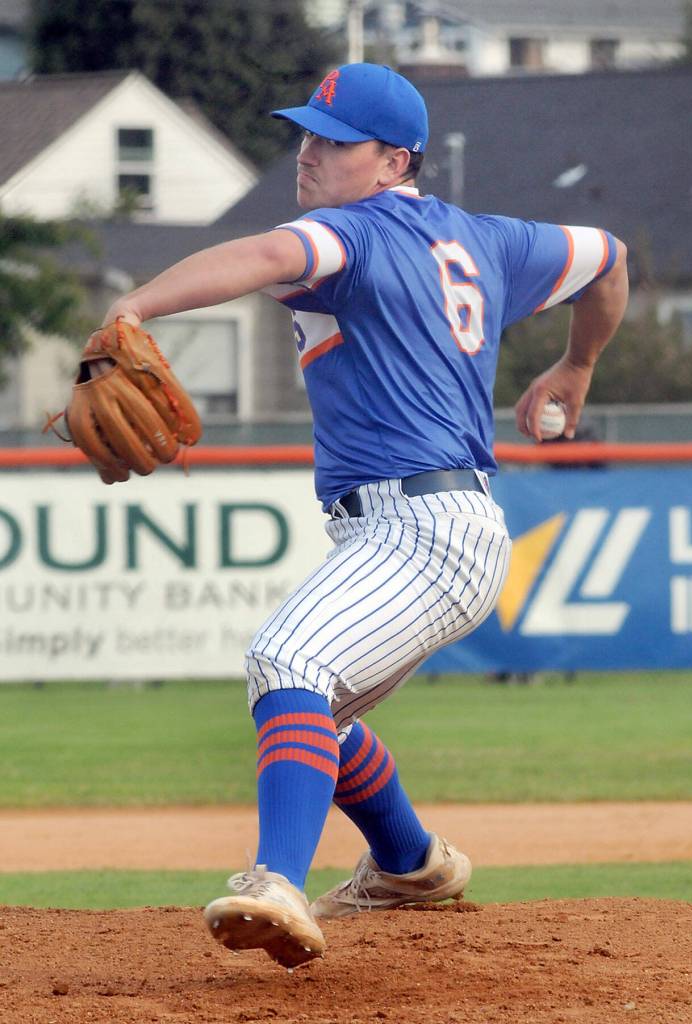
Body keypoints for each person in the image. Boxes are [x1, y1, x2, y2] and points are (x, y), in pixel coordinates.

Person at [101, 62, 629, 969]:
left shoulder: (350, 234)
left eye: (334, 141)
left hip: (421, 526)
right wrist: (577, 365)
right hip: (429, 527)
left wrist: (134, 305)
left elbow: (270, 255)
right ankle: (409, 862)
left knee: (288, 658)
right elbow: (609, 257)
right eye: (305, 133)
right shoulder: (487, 239)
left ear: (394, 162)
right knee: (318, 711)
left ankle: (274, 881)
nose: (308, 152)